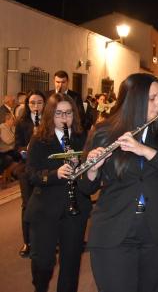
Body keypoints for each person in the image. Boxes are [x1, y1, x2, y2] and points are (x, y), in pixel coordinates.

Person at [78, 73, 158, 292]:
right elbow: (86, 187)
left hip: (157, 231)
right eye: (152, 98)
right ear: (134, 101)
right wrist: (93, 169)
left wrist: (146, 151)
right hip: (114, 231)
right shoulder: (103, 133)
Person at [25, 93, 91, 292]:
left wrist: (84, 165)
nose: (64, 118)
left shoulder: (82, 138)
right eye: (59, 113)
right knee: (43, 262)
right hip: (45, 209)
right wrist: (56, 173)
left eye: (69, 113)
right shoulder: (39, 140)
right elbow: (31, 174)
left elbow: (90, 177)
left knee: (71, 264)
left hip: (74, 209)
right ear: (50, 115)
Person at [14, 90, 46, 257]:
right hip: (26, 168)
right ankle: (27, 242)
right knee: (27, 204)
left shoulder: (49, 122)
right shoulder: (22, 122)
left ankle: (44, 240)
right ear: (27, 104)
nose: (36, 106)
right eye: (32, 103)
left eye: (39, 102)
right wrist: (24, 150)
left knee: (44, 203)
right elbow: (16, 145)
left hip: (44, 168)